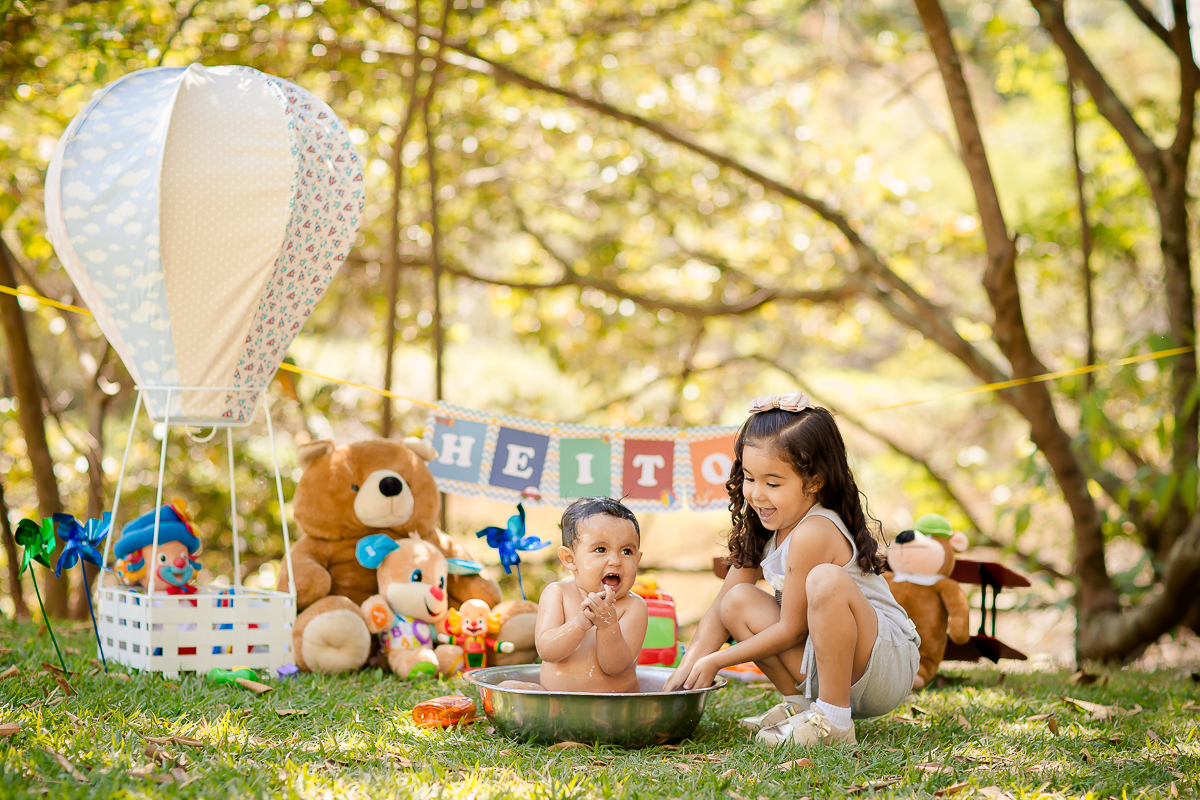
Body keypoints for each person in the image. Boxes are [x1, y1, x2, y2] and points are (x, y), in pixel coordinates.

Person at [663, 392, 920, 746]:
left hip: (882, 666)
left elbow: (791, 630)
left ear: (813, 482)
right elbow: (722, 608)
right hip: (831, 662)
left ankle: (832, 722)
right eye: (749, 477)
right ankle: (801, 707)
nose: (756, 494)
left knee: (825, 580)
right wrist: (689, 667)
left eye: (773, 483)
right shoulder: (766, 524)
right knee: (737, 600)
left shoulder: (814, 529)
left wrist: (716, 661)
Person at [499, 497, 648, 692]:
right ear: (570, 559)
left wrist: (608, 626)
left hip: (613, 708)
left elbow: (616, 667)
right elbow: (547, 651)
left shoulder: (634, 606)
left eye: (626, 551)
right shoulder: (557, 593)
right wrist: (579, 624)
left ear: (638, 559)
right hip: (558, 701)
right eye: (601, 549)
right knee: (507, 688)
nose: (615, 561)